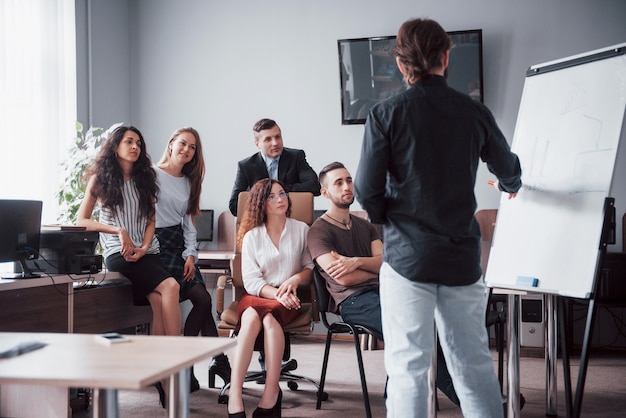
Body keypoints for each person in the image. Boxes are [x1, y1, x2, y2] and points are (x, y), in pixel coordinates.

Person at [354, 18, 522, 418]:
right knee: (473, 365)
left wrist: (389, 219)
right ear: (446, 58)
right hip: (461, 261)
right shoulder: (473, 111)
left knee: (408, 368)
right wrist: (509, 181)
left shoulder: (384, 114)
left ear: (400, 63)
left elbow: (366, 191)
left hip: (406, 258)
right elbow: (508, 167)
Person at [307, 161, 460, 406]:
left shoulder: (365, 226)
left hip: (386, 292)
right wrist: (376, 269)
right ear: (325, 193)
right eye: (338, 183)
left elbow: (389, 264)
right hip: (353, 301)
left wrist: (357, 262)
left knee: (432, 321)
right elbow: (344, 278)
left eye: (348, 180)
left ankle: (399, 398)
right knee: (410, 330)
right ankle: (473, 399)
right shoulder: (318, 231)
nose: (347, 186)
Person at [77, 125, 182, 408]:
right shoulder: (100, 180)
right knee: (170, 287)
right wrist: (117, 231)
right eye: (129, 141)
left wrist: (146, 246)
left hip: (147, 251)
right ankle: (177, 364)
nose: (135, 146)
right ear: (115, 146)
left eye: (138, 142)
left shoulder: (145, 178)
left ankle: (161, 376)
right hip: (118, 252)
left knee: (159, 302)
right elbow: (81, 221)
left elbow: (150, 220)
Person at [227, 178, 314, 418]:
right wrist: (277, 294)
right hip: (258, 295)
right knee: (253, 317)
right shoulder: (252, 236)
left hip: (288, 297)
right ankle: (236, 393)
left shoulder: (301, 229)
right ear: (260, 204)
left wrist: (294, 281)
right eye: (273, 196)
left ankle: (271, 392)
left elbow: (309, 268)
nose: (281, 199)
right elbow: (252, 282)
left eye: (283, 194)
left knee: (268, 319)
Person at [153, 127, 230, 393]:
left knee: (203, 299)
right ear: (171, 143)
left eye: (192, 147)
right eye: (183, 144)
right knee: (204, 301)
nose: (187, 150)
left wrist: (191, 254)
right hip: (156, 244)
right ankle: (215, 361)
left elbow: (188, 224)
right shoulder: (151, 175)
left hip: (179, 245)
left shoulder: (189, 181)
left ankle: (202, 364)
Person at [228, 118, 320, 216]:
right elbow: (234, 206)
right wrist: (265, 195)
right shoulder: (246, 166)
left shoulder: (296, 157)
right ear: (257, 144)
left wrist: (279, 189)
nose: (275, 143)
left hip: (292, 217)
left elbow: (314, 187)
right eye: (268, 139)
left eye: (278, 137)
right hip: (261, 221)